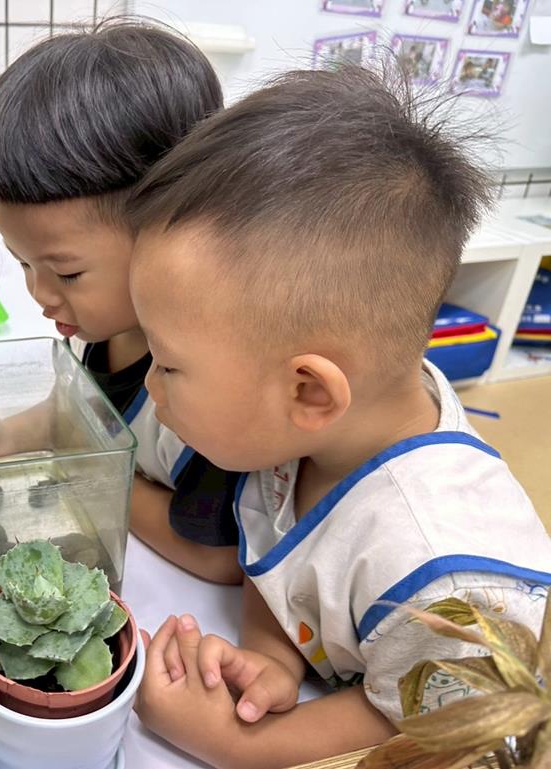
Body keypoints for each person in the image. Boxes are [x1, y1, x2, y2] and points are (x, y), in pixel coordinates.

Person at [127, 65, 551, 768]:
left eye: (168, 365)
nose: (151, 385)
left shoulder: (445, 584)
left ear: (310, 393)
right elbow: (279, 547)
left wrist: (228, 740)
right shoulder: (305, 429)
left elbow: (423, 726)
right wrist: (273, 657)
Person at [0, 20, 242, 583]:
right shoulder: (106, 327)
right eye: (22, 262)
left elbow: (220, 558)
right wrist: (14, 434)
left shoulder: (211, 392)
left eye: (67, 272)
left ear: (175, 231)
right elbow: (80, 413)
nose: (39, 293)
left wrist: (91, 473)